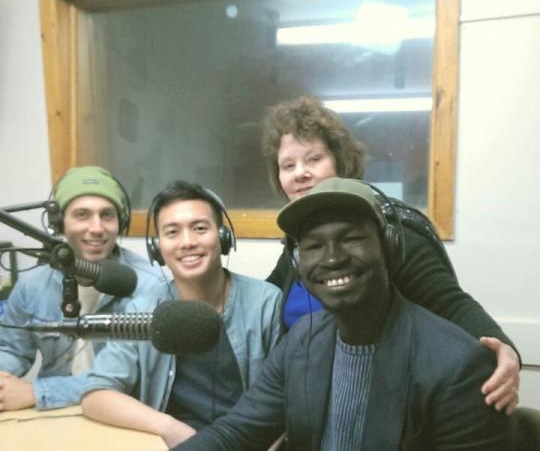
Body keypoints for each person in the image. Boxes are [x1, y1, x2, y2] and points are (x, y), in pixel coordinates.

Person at [173, 177, 511, 450]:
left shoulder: (457, 368)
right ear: (298, 262)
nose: (332, 258)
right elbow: (236, 432)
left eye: (351, 238)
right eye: (314, 246)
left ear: (389, 248)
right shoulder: (301, 343)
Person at [260, 95, 520, 415]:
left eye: (313, 159)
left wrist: (504, 349)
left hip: (389, 407)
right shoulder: (298, 245)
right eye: (288, 165)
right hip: (311, 405)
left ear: (340, 162)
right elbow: (265, 297)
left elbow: (450, 304)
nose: (300, 173)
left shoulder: (392, 231)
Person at [81, 180, 282, 448]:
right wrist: (170, 428)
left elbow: (282, 402)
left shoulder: (265, 303)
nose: (187, 242)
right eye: (172, 232)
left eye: (200, 228)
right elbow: (96, 395)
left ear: (223, 237)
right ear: (157, 248)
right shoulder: (145, 309)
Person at [0, 166, 162, 411]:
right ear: (59, 224)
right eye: (82, 215)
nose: (96, 228)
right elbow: (13, 349)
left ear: (121, 223)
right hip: (51, 413)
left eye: (107, 215)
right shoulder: (32, 285)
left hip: (120, 413)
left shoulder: (150, 284)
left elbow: (121, 376)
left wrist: (36, 392)